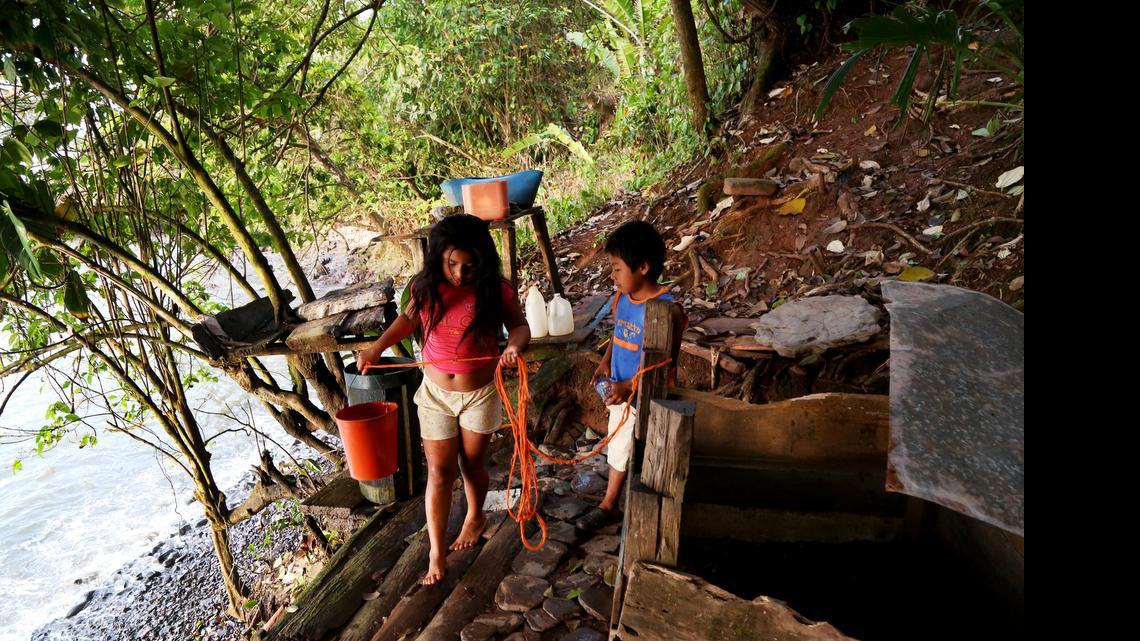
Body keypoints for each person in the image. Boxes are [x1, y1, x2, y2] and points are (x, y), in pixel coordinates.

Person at [357, 214, 529, 584]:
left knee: (472, 464)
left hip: (479, 395)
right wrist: (375, 349)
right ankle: (436, 552)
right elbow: (406, 323)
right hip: (435, 395)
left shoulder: (495, 289)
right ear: (438, 257)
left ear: (482, 260)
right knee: (439, 472)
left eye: (469, 266)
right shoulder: (426, 288)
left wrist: (513, 348)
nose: (460, 273)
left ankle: (475, 516)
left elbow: (520, 326)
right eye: (452, 264)